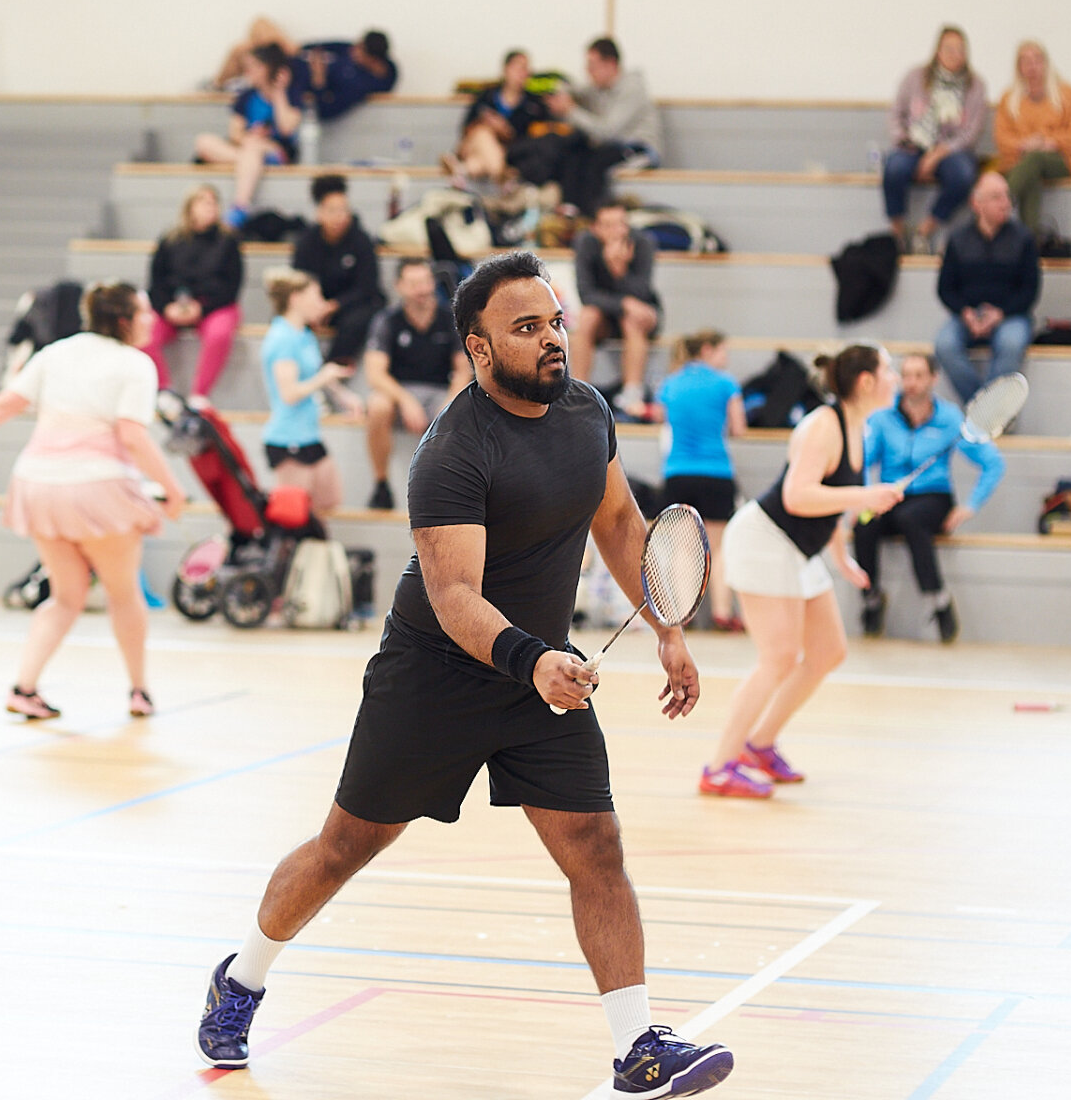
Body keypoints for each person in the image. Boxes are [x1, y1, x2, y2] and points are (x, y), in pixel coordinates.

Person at [197, 250, 733, 1096]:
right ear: (479, 348)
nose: (552, 339)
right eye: (527, 328)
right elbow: (454, 596)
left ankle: (638, 1048)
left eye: (554, 321)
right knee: (346, 847)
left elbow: (619, 521)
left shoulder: (587, 411)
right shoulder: (450, 452)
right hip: (433, 679)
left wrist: (667, 626)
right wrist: (535, 659)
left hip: (541, 678)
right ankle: (242, 979)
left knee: (596, 846)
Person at [0, 283, 188, 720]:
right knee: (124, 594)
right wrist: (173, 488)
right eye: (145, 312)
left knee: (66, 596)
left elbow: (4, 404)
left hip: (39, 485)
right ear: (124, 320)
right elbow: (132, 435)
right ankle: (139, 691)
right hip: (97, 488)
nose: (152, 320)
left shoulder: (56, 353)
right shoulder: (135, 364)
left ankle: (24, 688)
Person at [703, 345, 902, 799]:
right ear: (866, 381)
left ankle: (759, 745)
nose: (894, 378)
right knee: (778, 658)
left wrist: (842, 559)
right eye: (889, 370)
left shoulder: (860, 427)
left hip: (799, 550)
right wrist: (866, 498)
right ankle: (718, 768)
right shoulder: (822, 426)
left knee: (828, 651)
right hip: (765, 541)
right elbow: (798, 496)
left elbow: (830, 500)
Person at [858, 353, 1005, 643]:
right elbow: (861, 462)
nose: (911, 383)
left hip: (933, 497)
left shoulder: (950, 418)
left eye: (918, 375)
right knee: (864, 524)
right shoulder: (883, 417)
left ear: (933, 379)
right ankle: (871, 598)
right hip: (891, 495)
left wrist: (971, 506)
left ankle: (938, 600)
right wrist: (863, 498)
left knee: (910, 519)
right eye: (906, 375)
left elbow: (993, 462)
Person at [654, 329, 747, 631]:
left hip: (678, 472)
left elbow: (659, 417)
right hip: (716, 471)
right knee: (717, 548)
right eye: (723, 351)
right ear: (707, 349)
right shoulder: (726, 383)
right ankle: (722, 613)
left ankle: (684, 613)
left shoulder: (670, 383)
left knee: (683, 548)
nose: (726, 358)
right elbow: (739, 428)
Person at [362, 259, 469, 511]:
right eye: (413, 284)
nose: (421, 290)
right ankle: (381, 485)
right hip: (401, 392)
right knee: (377, 405)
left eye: (425, 282)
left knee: (460, 411)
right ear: (399, 286)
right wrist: (406, 400)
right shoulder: (387, 320)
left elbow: (463, 370)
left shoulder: (450, 318)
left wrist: (448, 403)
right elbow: (375, 374)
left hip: (440, 391)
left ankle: (450, 491)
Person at [260, 267, 362, 516]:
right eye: (316, 297)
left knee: (328, 499)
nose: (322, 303)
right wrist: (324, 377)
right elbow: (289, 394)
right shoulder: (283, 338)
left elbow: (316, 373)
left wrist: (343, 395)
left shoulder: (304, 334)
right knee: (295, 515)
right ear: (296, 299)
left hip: (309, 433)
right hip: (288, 438)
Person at [935, 172, 1040, 404]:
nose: (1005, 203)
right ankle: (985, 407)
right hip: (968, 314)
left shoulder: (1023, 238)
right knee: (945, 345)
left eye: (1007, 196)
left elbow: (1030, 290)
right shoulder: (958, 239)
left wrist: (1000, 313)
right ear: (976, 203)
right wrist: (966, 313)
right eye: (996, 197)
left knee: (1010, 344)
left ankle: (986, 412)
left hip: (1011, 315)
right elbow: (945, 289)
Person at [885, 26, 988, 254]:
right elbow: (895, 114)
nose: (955, 54)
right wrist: (904, 140)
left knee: (963, 176)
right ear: (938, 51)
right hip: (913, 145)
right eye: (949, 49)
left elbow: (971, 133)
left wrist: (936, 154)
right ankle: (897, 233)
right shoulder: (915, 77)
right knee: (894, 168)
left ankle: (925, 230)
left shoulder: (975, 86)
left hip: (952, 150)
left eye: (960, 50)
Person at [143, 185, 244, 404]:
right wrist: (166, 307)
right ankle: (164, 391)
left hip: (213, 305)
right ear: (190, 207)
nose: (210, 207)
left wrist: (202, 308)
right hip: (173, 305)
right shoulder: (170, 240)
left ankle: (199, 396)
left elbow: (232, 287)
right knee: (143, 333)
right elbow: (156, 282)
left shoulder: (228, 241)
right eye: (203, 202)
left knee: (219, 333)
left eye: (213, 203)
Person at [546, 37, 663, 216]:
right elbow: (578, 91)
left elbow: (608, 132)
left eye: (592, 66)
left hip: (639, 149)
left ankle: (592, 217)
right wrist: (558, 94)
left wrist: (570, 110)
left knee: (595, 162)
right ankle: (569, 210)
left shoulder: (632, 89)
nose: (588, 72)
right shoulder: (600, 88)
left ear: (611, 64)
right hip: (613, 147)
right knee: (574, 153)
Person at [568, 200, 661, 420]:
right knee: (588, 315)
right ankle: (578, 392)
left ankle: (632, 394)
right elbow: (586, 294)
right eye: (609, 225)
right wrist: (623, 303)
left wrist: (619, 270)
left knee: (633, 318)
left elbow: (643, 293)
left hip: (639, 316)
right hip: (604, 316)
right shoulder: (585, 243)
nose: (617, 231)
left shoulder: (642, 242)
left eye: (621, 224)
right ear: (595, 228)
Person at [195, 44, 300, 229]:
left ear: (266, 68)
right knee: (204, 142)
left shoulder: (290, 94)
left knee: (253, 148)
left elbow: (287, 129)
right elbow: (235, 134)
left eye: (252, 67)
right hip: (247, 149)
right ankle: (251, 164)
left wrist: (279, 93)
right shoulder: (246, 96)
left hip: (275, 151)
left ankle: (240, 206)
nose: (247, 72)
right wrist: (249, 137)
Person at [210, 18, 398, 120]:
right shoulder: (353, 53)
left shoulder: (361, 86)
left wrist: (318, 79)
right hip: (298, 56)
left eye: (360, 51)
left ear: (373, 60)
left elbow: (327, 110)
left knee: (240, 50)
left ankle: (216, 85)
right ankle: (220, 83)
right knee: (259, 26)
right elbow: (329, 45)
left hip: (294, 73)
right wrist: (304, 51)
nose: (354, 50)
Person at [289, 173, 384, 365]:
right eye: (332, 210)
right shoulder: (306, 242)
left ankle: (332, 368)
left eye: (344, 210)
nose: (339, 216)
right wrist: (315, 307)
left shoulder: (361, 240)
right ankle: (295, 367)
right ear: (319, 213)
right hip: (318, 304)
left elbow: (367, 286)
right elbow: (299, 280)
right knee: (289, 316)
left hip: (350, 306)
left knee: (358, 320)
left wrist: (334, 305)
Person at [993, 40, 1071, 232]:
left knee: (1034, 159)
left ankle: (994, 206)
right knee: (1031, 173)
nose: (1032, 66)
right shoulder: (1009, 97)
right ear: (1018, 67)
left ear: (1046, 63)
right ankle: (1030, 241)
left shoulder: (1067, 94)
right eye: (1025, 61)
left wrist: (1047, 142)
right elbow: (1002, 138)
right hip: (1020, 161)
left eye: (1037, 60)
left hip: (1059, 160)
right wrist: (1024, 145)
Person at [442, 49, 550, 186]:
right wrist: (489, 125)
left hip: (509, 151)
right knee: (482, 133)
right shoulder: (487, 96)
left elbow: (537, 138)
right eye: (518, 68)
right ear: (506, 69)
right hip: (476, 144)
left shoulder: (534, 105)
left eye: (525, 69)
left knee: (479, 161)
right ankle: (502, 178)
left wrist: (506, 130)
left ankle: (462, 170)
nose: (522, 74)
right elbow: (467, 126)